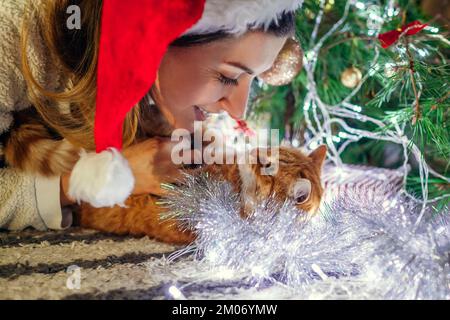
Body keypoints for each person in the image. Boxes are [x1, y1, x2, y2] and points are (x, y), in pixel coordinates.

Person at [0, 0, 302, 231]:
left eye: (256, 79)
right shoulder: (12, 36)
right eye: (227, 77)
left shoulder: (151, 95)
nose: (238, 110)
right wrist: (71, 185)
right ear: (153, 39)